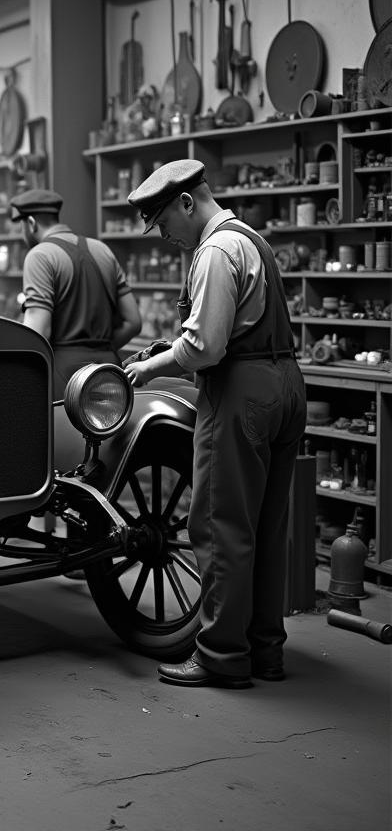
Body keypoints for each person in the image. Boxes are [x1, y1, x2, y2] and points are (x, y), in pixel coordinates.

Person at [123, 159, 306, 689]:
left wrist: (150, 366)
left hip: (242, 391)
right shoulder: (253, 240)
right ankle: (265, 651)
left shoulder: (215, 250)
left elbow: (205, 348)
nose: (165, 237)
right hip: (285, 382)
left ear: (187, 203)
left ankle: (223, 656)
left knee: (221, 525)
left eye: (163, 223)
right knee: (267, 529)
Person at [9, 188, 142, 396]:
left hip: (64, 376)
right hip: (109, 371)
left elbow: (38, 331)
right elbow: (133, 322)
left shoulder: (40, 255)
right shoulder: (103, 250)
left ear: (32, 223)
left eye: (21, 227)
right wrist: (100, 350)